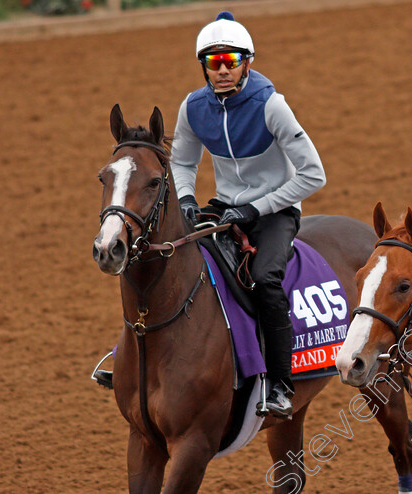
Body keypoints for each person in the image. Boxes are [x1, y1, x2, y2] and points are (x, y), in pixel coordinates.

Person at [171, 11, 326, 417]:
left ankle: (280, 384)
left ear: (248, 63)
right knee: (172, 254)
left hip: (276, 210)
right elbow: (182, 163)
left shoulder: (272, 105)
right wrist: (186, 198)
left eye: (231, 61)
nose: (222, 70)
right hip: (226, 207)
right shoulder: (192, 107)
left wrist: (256, 207)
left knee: (265, 280)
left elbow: (314, 175)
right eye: (213, 62)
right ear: (204, 66)